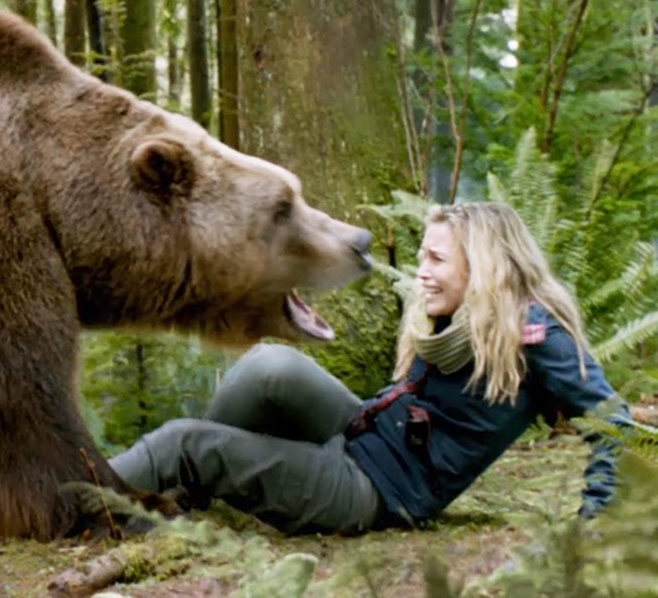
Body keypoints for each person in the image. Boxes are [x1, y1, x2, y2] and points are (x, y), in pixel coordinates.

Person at [108, 202, 632, 534]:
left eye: (437, 261)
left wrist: (597, 525)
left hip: (376, 489)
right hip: (367, 431)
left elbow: (614, 424)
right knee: (270, 364)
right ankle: (189, 495)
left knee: (183, 442)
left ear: (485, 267)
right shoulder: (458, 316)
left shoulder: (530, 332)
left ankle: (68, 504)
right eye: (422, 257)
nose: (421, 273)